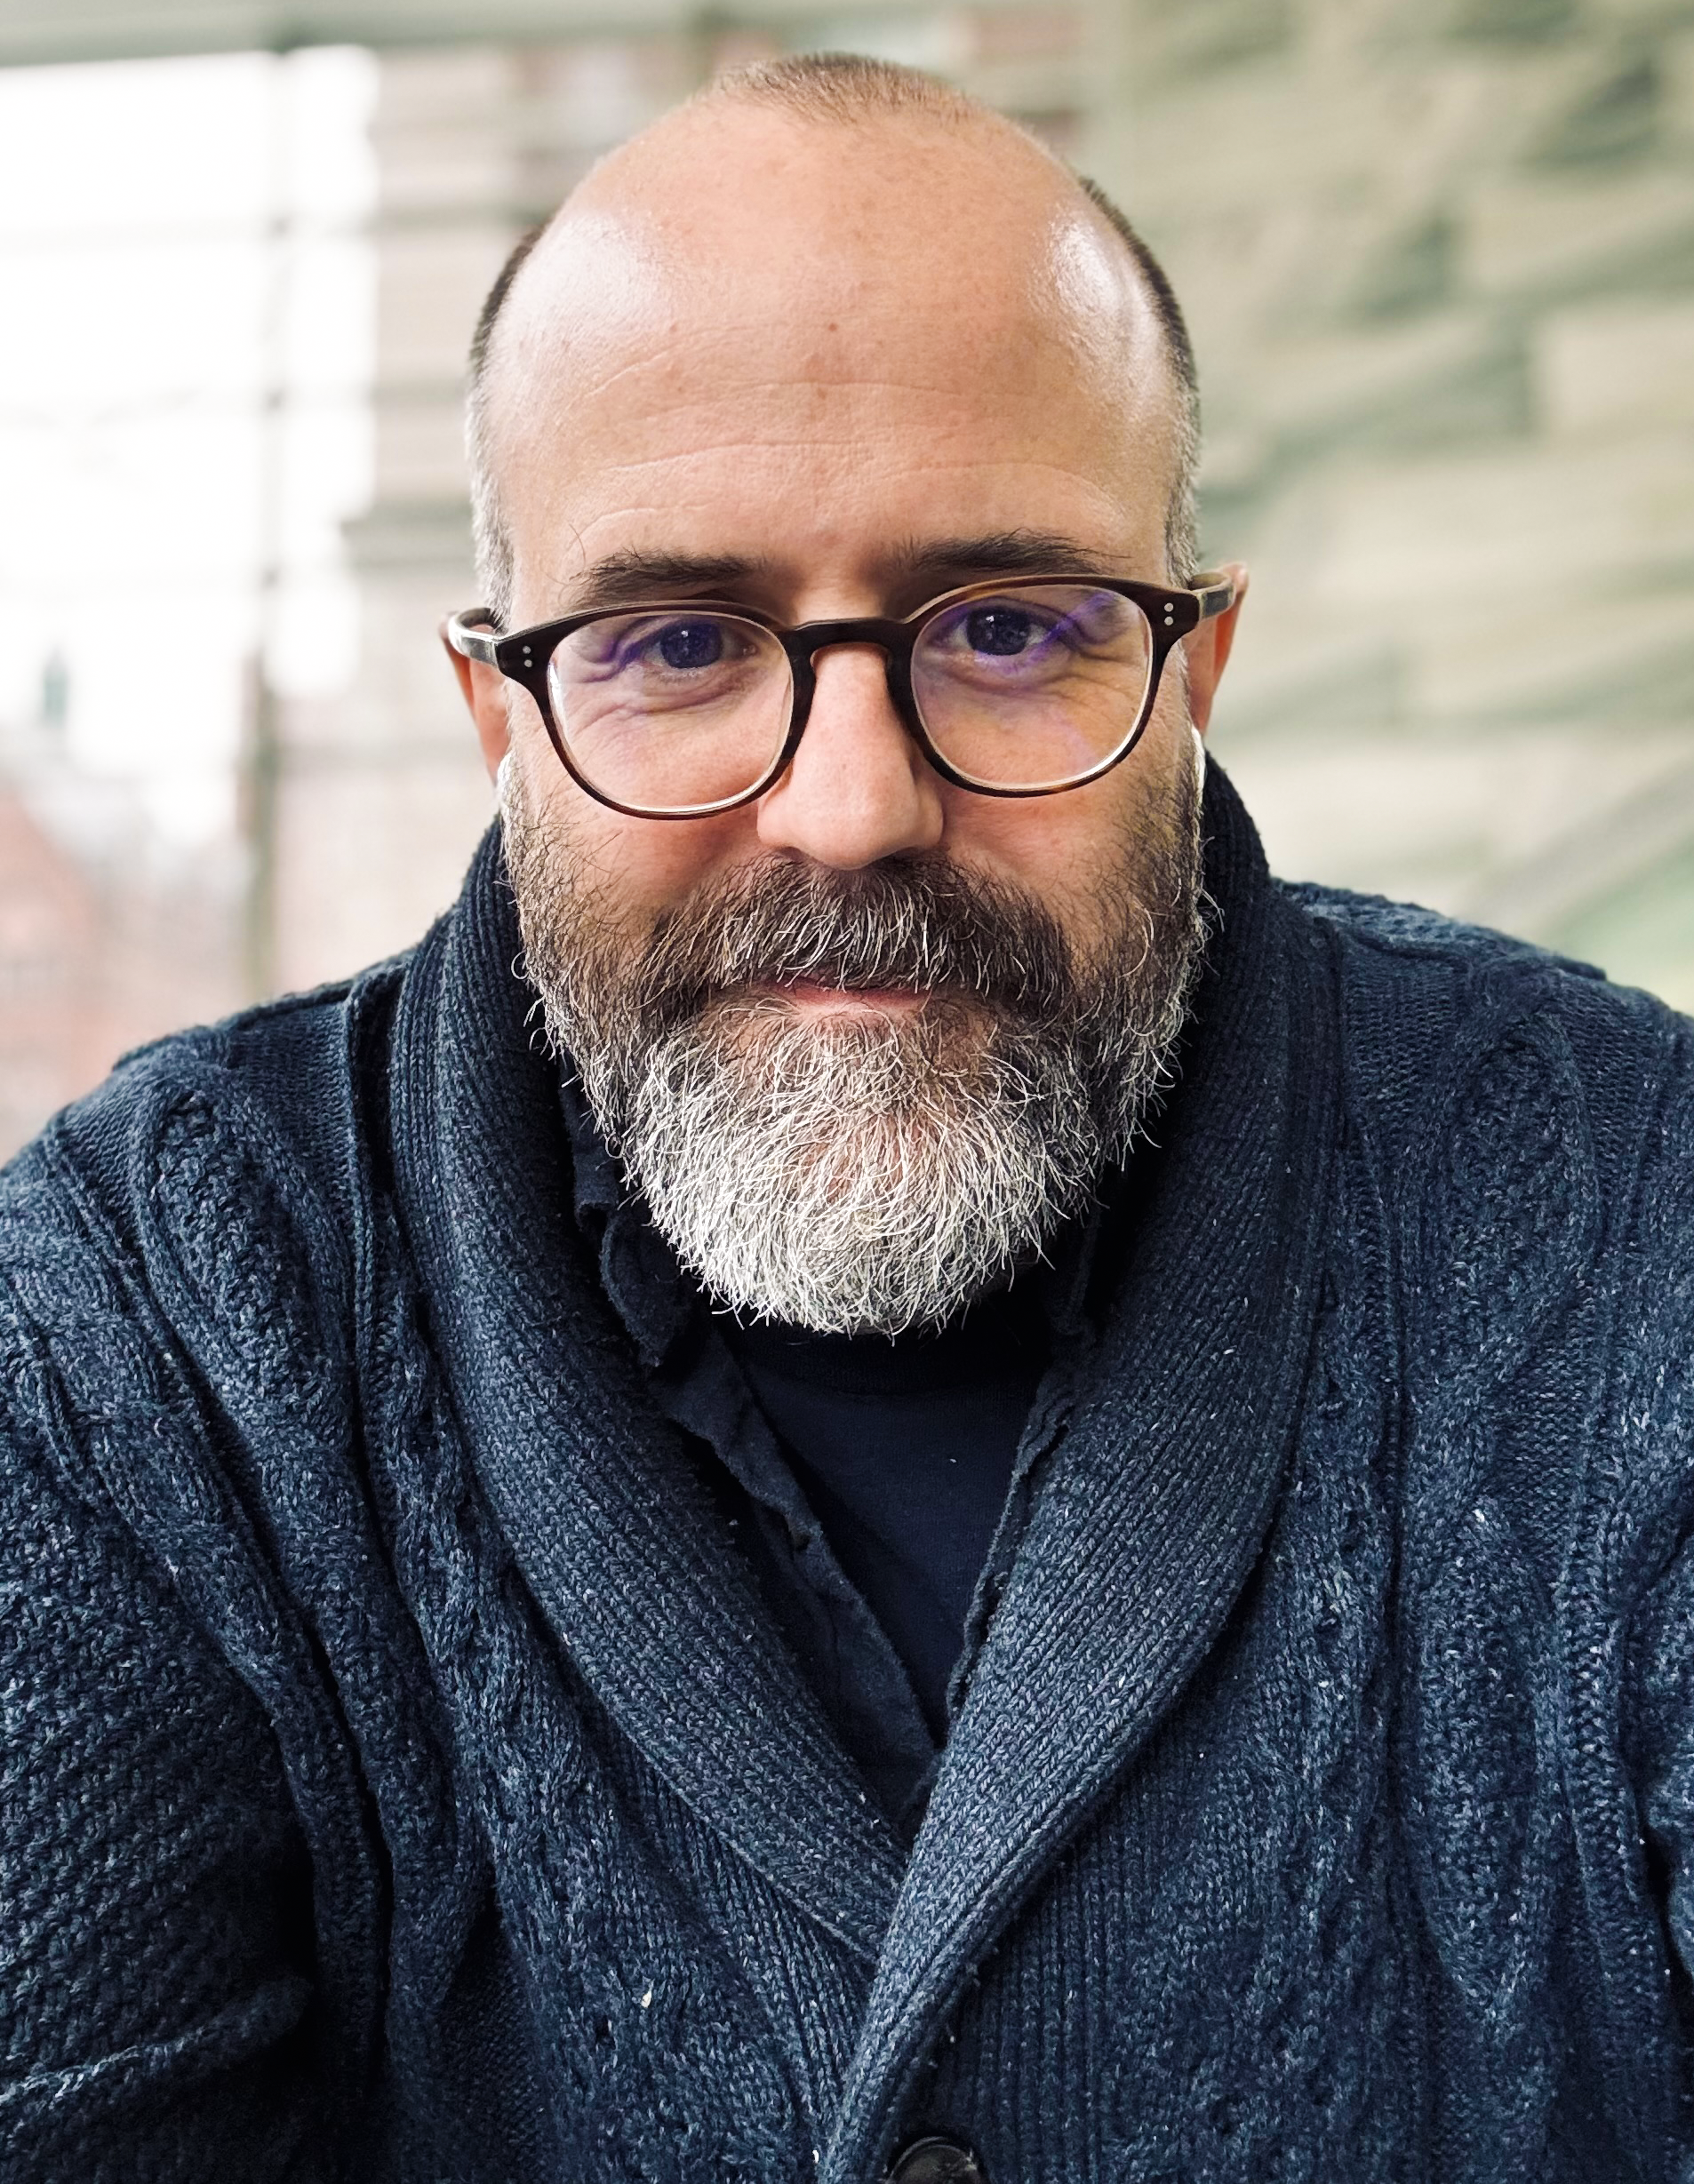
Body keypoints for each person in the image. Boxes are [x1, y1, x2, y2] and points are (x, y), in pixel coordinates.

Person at [3, 51, 1691, 2184]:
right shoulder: (136, 1330)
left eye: (1004, 627)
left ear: (1191, 671)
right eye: (676, 640)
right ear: (495, 715)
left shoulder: (1641, 1218)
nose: (850, 803)